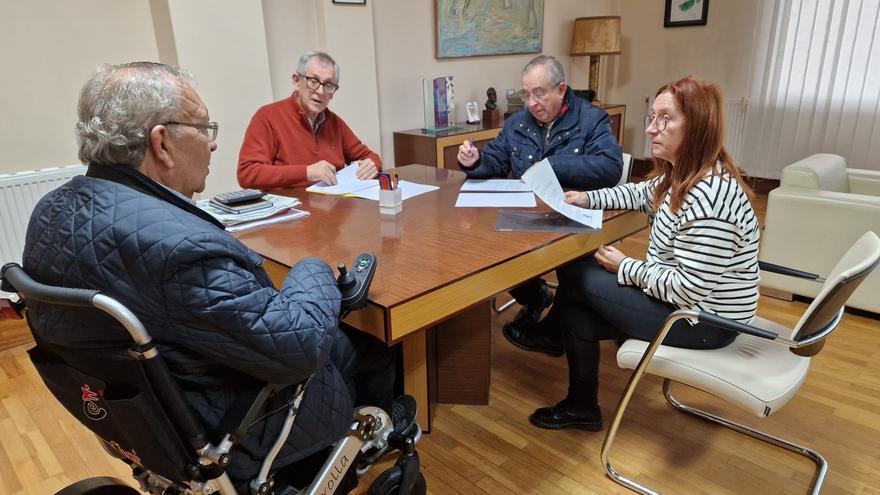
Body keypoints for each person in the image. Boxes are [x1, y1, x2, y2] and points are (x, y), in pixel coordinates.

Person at [21, 62, 413, 489]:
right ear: (162, 144)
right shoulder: (180, 246)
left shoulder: (51, 213)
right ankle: (369, 439)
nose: (211, 144)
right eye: (204, 129)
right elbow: (297, 346)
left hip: (140, 420)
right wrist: (314, 268)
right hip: (236, 424)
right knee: (371, 345)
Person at [507, 76, 760, 431]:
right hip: (684, 306)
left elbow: (688, 291)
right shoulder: (681, 175)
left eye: (664, 119)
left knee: (578, 272)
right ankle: (582, 406)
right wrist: (587, 197)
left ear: (698, 127)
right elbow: (639, 193)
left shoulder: (711, 196)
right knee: (577, 312)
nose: (651, 130)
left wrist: (625, 266)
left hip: (706, 321)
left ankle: (549, 335)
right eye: (651, 118)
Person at [457, 54, 623, 346]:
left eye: (539, 93)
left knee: (575, 266)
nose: (532, 102)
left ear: (560, 90)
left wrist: (555, 166)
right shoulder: (518, 123)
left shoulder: (590, 119)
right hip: (526, 216)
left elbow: (610, 167)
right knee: (488, 252)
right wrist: (474, 162)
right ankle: (536, 296)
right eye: (527, 94)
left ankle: (554, 333)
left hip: (571, 216)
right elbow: (494, 160)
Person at [238, 51, 380, 189]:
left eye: (328, 85)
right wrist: (306, 172)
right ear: (296, 81)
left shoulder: (334, 122)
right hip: (291, 209)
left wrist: (372, 164)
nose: (320, 91)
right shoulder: (267, 117)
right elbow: (247, 173)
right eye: (313, 81)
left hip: (334, 206)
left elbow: (369, 156)